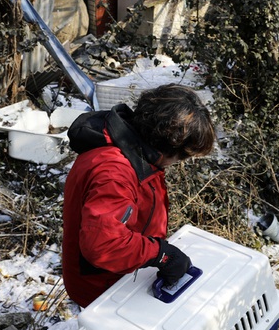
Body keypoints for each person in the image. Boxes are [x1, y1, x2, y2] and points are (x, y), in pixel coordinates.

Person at [61, 83, 216, 307]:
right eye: (182, 157)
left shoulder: (131, 146)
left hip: (123, 271)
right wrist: (161, 254)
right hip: (103, 286)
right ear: (167, 147)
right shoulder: (115, 174)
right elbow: (104, 245)